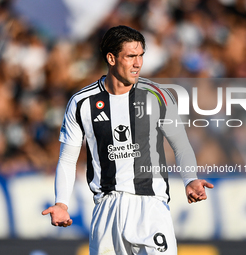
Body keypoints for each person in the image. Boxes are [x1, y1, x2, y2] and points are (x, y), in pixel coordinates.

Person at [42, 25, 214, 255]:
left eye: (141, 55)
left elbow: (180, 144)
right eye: (131, 56)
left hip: (151, 206)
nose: (138, 63)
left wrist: (190, 179)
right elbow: (67, 159)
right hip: (107, 209)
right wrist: (62, 203)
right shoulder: (82, 102)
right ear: (111, 58)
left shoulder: (158, 96)